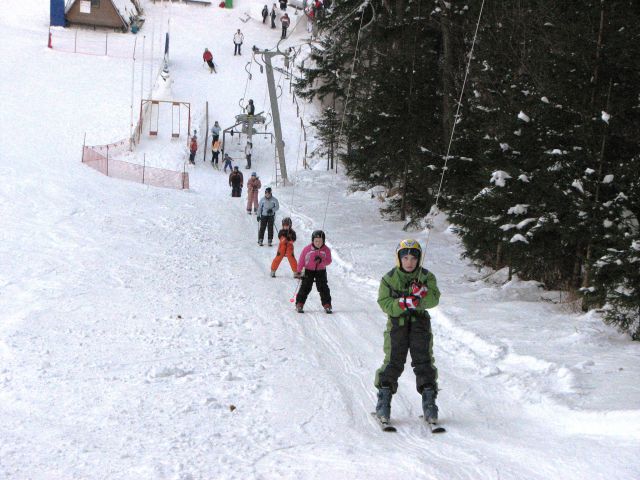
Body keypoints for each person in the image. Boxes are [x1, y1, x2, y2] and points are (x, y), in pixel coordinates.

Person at [373, 239, 441, 426]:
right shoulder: (389, 278)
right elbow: (384, 302)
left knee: (424, 361)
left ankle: (430, 405)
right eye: (405, 258)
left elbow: (434, 299)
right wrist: (402, 303)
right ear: (399, 259)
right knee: (393, 361)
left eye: (413, 258)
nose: (409, 262)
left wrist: (423, 295)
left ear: (418, 260)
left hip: (420, 325)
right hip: (397, 325)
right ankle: (383, 403)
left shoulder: (426, 276)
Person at [295, 230, 332, 313]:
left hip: (321, 270)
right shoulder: (307, 249)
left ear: (323, 241)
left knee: (323, 287)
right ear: (312, 241)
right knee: (305, 287)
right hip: (309, 270)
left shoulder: (326, 250)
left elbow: (329, 261)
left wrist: (321, 260)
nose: (318, 243)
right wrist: (298, 271)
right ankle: (299, 304)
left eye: (320, 241)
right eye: (316, 241)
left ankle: (327, 305)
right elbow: (301, 261)